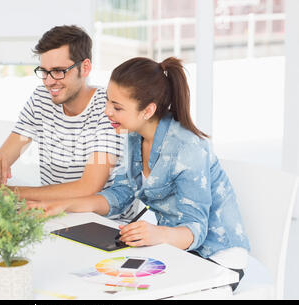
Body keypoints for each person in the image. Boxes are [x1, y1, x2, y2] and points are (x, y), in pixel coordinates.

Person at [27, 56, 250, 291]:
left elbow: (196, 229)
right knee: (98, 283)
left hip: (217, 259)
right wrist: (64, 206)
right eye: (107, 102)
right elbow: (121, 193)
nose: (107, 112)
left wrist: (157, 233)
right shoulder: (135, 135)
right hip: (178, 251)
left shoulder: (187, 147)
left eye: (117, 107)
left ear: (148, 110)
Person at [0, 25, 131, 210]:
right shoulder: (41, 99)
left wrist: (10, 192)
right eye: (44, 71)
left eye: (59, 71)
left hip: (96, 220)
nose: (49, 81)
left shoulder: (108, 108)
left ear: (85, 68)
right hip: (49, 213)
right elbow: (1, 162)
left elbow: (88, 187)